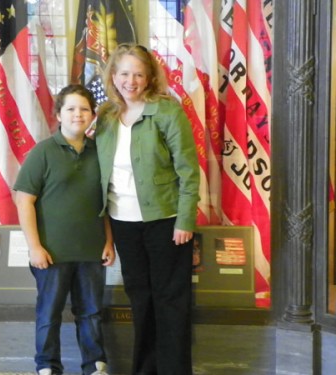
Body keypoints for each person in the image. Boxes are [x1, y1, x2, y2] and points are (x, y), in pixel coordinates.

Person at [95, 43, 200, 375]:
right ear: (113, 75)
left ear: (150, 77)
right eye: (124, 73)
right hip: (124, 224)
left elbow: (188, 171)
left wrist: (185, 221)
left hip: (167, 223)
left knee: (171, 302)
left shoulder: (167, 112)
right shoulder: (105, 116)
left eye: (139, 74)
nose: (131, 81)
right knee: (141, 300)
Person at [13, 84, 115, 375]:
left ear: (92, 115)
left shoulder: (101, 152)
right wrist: (35, 247)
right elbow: (24, 201)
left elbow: (105, 203)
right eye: (70, 108)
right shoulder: (43, 152)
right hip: (51, 254)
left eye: (84, 109)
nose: (77, 114)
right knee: (49, 314)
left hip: (92, 253)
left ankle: (95, 365)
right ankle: (46, 366)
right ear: (58, 114)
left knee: (92, 313)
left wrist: (109, 242)